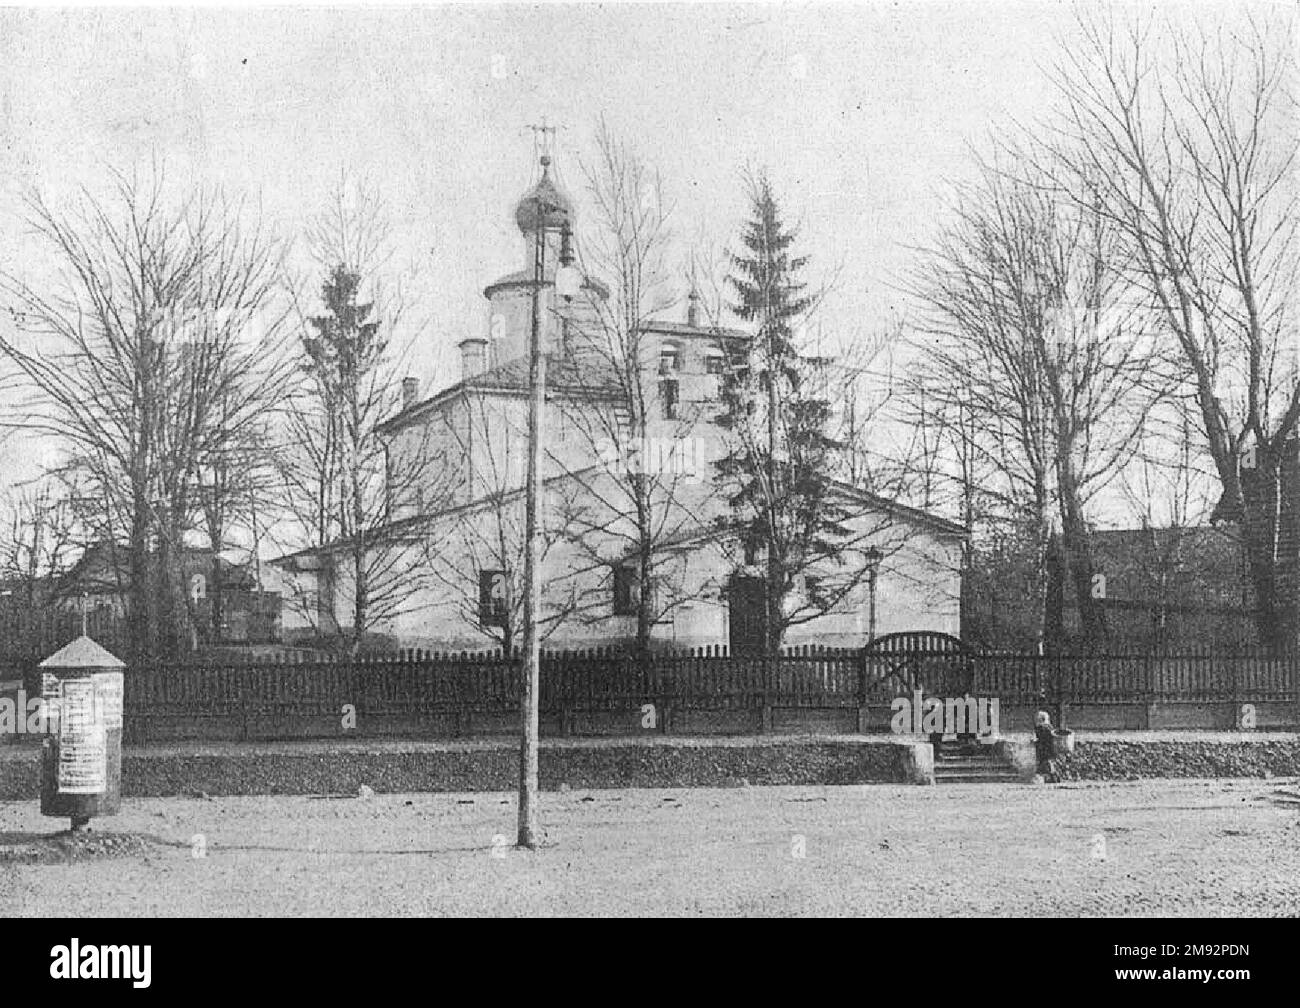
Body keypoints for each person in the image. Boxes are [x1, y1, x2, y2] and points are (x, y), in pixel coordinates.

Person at [1034, 709, 1057, 782]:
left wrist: (1036, 742)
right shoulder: (1049, 728)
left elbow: (1041, 739)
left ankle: (1052, 778)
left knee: (1045, 764)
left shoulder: (1042, 728)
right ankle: (1052, 778)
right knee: (1047, 764)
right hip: (1048, 749)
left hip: (1044, 749)